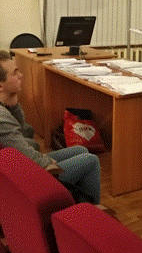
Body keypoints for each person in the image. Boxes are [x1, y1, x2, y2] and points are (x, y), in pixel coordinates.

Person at [0, 50, 101, 204]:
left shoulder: (5, 108)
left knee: (81, 150)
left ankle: (73, 203)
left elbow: (23, 134)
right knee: (90, 160)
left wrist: (13, 105)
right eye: (15, 73)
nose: (21, 75)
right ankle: (90, 213)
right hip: (25, 180)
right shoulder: (2, 119)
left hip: (20, 168)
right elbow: (26, 155)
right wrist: (48, 162)